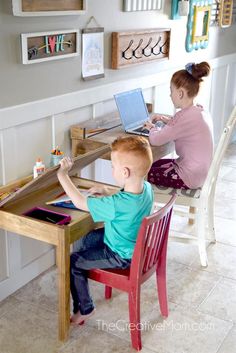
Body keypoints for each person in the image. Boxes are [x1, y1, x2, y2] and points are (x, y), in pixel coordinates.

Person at [57, 136, 154, 325]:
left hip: (121, 255)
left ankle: (85, 308)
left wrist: (63, 175)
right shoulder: (147, 188)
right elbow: (124, 200)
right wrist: (106, 191)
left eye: (112, 167)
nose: (112, 170)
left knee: (74, 261)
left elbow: (80, 202)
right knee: (86, 239)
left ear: (125, 172)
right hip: (132, 245)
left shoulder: (117, 205)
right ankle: (82, 280)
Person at [144, 61, 213, 190]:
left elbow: (155, 140)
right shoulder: (199, 110)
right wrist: (163, 119)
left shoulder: (183, 117)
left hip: (187, 177)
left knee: (141, 171)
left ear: (180, 93)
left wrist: (151, 127)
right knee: (148, 164)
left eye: (171, 91)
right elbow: (181, 124)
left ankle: (146, 207)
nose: (170, 95)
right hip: (199, 173)